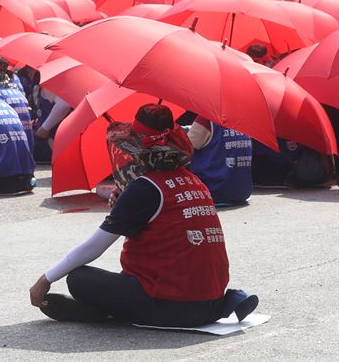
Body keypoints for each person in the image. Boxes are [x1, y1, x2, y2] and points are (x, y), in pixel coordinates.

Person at [29, 104, 258, 325]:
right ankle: (109, 310)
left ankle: (105, 312)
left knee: (78, 278)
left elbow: (94, 247)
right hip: (211, 302)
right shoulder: (194, 181)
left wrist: (46, 278)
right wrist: (125, 202)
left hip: (172, 305)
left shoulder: (146, 188)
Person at [188, 117, 253, 205]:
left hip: (212, 191)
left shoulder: (206, 119)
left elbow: (185, 146)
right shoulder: (244, 119)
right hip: (242, 192)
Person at [33, 85, 71, 164]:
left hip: (55, 143)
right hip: (55, 143)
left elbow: (64, 105)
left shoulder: (49, 85)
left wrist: (45, 128)